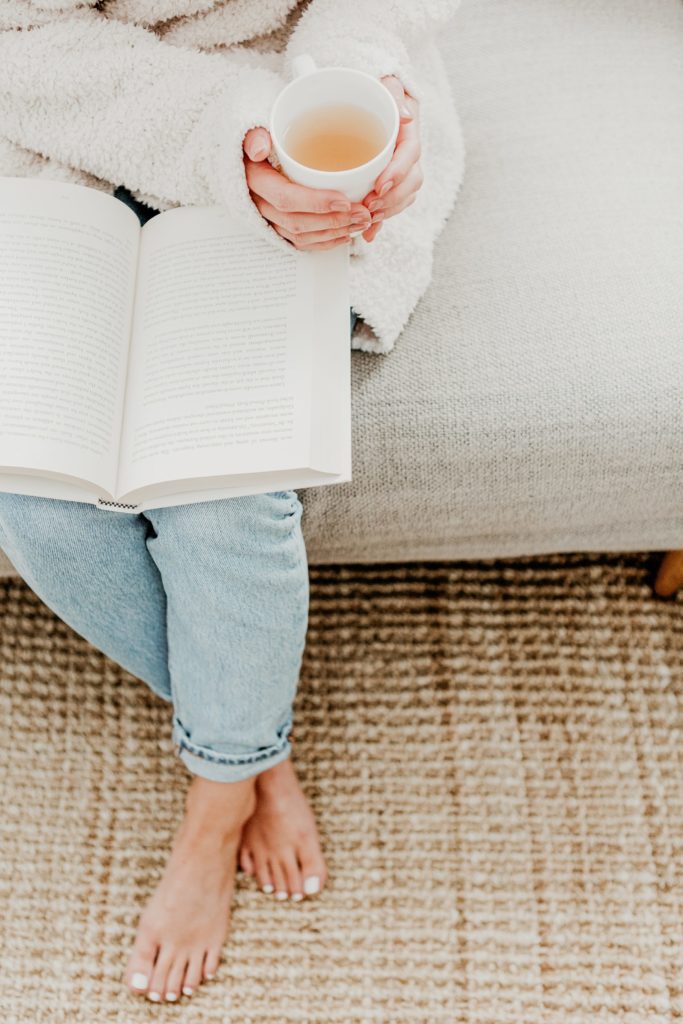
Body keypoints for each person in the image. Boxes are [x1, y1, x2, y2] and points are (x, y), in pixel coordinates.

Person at [0, 0, 464, 1005]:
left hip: (310, 102)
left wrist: (350, 86)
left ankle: (216, 799)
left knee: (226, 484)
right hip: (76, 118)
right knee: (37, 501)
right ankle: (258, 745)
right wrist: (222, 128)